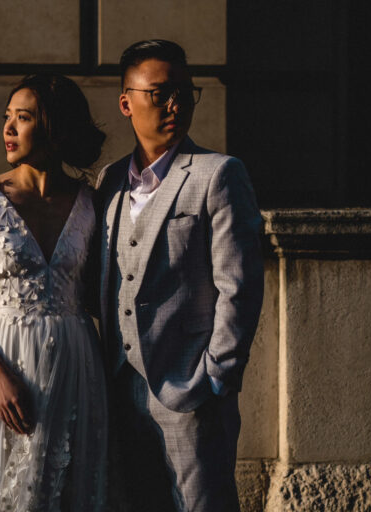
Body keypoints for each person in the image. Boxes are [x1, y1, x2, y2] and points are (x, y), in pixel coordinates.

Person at [96, 40, 264, 511]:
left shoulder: (218, 174)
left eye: (185, 93)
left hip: (191, 389)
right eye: (160, 93)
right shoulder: (109, 182)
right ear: (126, 102)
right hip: (119, 391)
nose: (175, 105)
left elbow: (240, 286)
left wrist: (216, 378)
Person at [0, 73, 108, 512]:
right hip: (9, 360)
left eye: (23, 117)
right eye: (8, 117)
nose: (8, 128)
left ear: (54, 127)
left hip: (76, 362)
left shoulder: (90, 202)